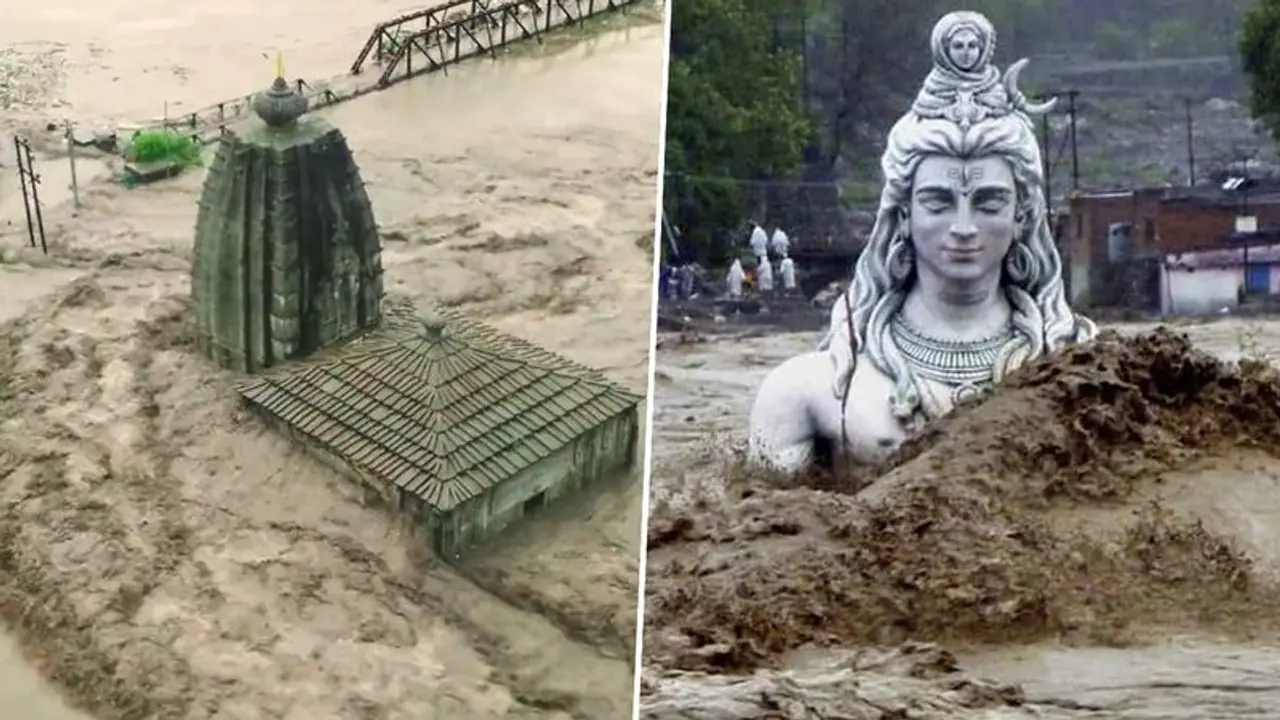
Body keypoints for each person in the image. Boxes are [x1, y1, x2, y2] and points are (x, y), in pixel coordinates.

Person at [745, 10, 1095, 474]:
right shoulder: (812, 390)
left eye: (989, 204)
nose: (964, 226)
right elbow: (760, 535)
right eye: (938, 203)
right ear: (904, 214)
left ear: (1022, 214)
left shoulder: (1081, 365)